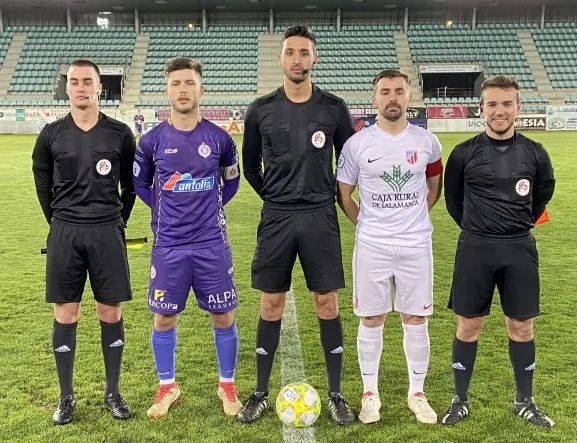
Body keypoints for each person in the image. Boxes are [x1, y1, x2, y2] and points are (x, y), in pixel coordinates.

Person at [238, 24, 356, 426]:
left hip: (321, 216)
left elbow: (350, 163)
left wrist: (327, 196)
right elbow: (250, 166)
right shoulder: (260, 109)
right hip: (277, 217)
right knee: (271, 303)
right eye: (291, 52)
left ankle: (336, 393)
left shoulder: (334, 108)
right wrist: (275, 196)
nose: (297, 59)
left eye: (304, 52)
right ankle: (259, 392)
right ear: (280, 58)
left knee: (327, 302)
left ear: (314, 58)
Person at [440, 75, 556, 428]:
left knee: (521, 326)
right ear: (481, 109)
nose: (499, 111)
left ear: (519, 107)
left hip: (519, 247)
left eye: (507, 103)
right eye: (492, 104)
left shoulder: (536, 152)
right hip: (475, 247)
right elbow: (454, 201)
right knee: (468, 325)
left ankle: (524, 399)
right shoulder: (463, 153)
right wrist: (480, 227)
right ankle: (460, 399)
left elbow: (542, 195)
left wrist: (513, 226)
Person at [133, 57, 242, 419]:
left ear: (201, 88)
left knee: (222, 314)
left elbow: (231, 181)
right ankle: (168, 386)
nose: (183, 90)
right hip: (169, 245)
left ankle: (227, 384)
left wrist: (209, 209)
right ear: (167, 90)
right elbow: (141, 185)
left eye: (189, 83)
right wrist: (166, 212)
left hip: (211, 242)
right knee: (164, 318)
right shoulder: (151, 141)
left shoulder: (220, 139)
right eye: (176, 83)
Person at [31, 59, 136, 425]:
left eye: (87, 81)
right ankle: (66, 396)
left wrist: (118, 221)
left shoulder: (120, 133)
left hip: (107, 230)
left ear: (98, 87)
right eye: (74, 81)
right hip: (66, 232)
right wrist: (58, 221)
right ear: (67, 87)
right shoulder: (51, 134)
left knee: (110, 312)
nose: (80, 87)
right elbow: (42, 179)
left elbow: (131, 186)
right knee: (66, 313)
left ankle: (113, 392)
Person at [336, 69, 443, 425]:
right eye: (385, 92)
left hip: (416, 245)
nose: (392, 97)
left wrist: (412, 220)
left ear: (409, 97)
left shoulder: (428, 142)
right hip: (372, 246)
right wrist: (367, 224)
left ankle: (417, 393)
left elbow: (434, 188)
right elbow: (344, 194)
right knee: (371, 318)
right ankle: (370, 394)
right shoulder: (357, 144)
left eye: (399, 91)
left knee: (416, 318)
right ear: (374, 99)